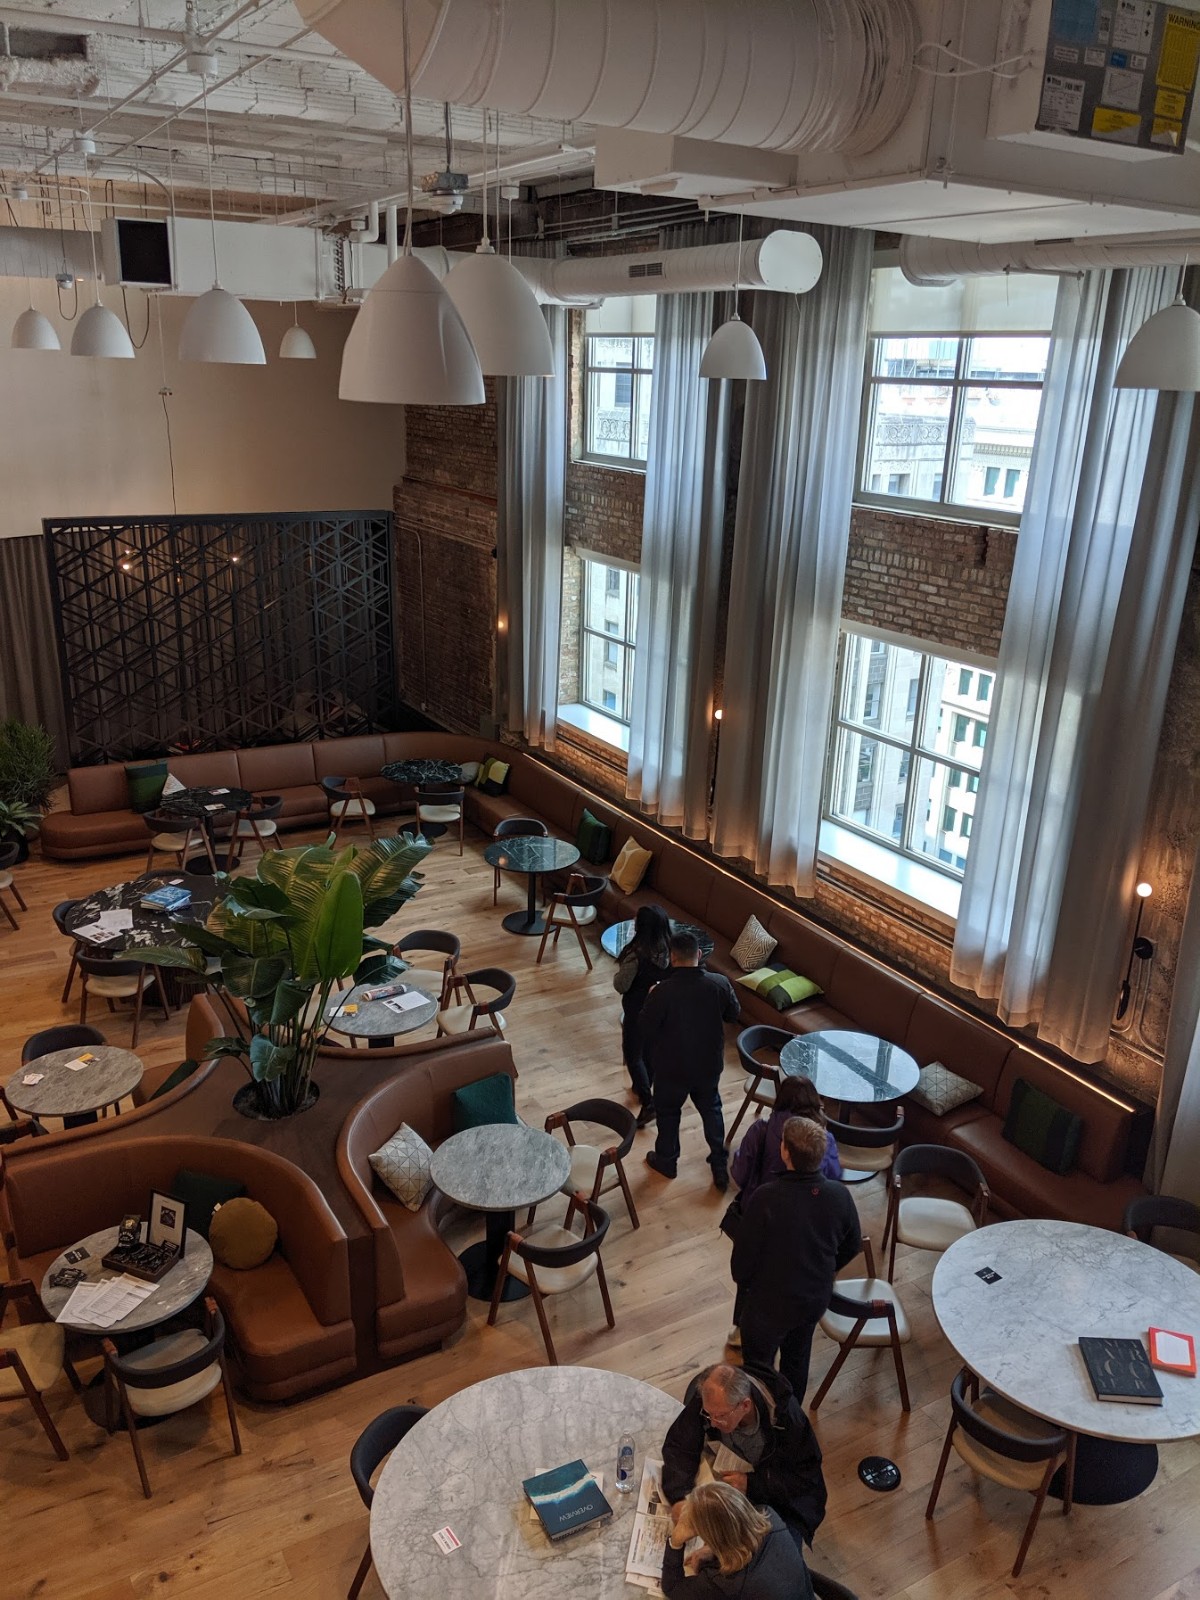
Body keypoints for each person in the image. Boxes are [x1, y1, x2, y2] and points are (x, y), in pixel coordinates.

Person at [732, 1116, 862, 1402]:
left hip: (767, 1303)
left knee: (758, 1369)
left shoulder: (766, 1198)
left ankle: (761, 1415)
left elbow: (741, 1263)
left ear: (785, 1152)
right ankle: (790, 1415)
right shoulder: (839, 1195)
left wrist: (750, 1284)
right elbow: (852, 1244)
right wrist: (823, 1269)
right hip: (812, 1299)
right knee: (797, 1359)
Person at [661, 1362, 826, 1555]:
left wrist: (752, 1484)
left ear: (745, 1405)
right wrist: (680, 1497)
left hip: (778, 1501)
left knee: (768, 1558)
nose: (712, 1423)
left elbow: (804, 1480)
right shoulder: (712, 1401)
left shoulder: (787, 1421)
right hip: (730, 1482)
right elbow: (680, 1445)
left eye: (720, 1416)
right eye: (708, 1414)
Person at [640, 931, 740, 1189]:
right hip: (708, 1065)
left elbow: (645, 1029)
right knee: (712, 1109)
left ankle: (667, 1161)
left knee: (668, 1113)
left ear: (672, 958)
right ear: (699, 954)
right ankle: (719, 1164)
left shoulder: (662, 992)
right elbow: (733, 1014)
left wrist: (651, 996)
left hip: (671, 1067)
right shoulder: (719, 983)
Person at [661, 1481, 815, 1599]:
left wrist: (675, 1542)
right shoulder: (770, 1517)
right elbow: (736, 1529)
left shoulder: (724, 1582)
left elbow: (672, 1588)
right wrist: (713, 1550)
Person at [730, 1077, 842, 1206]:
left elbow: (740, 1174)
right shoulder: (825, 1139)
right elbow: (833, 1178)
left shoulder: (761, 1130)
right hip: (809, 1210)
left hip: (762, 1204)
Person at [613, 904, 672, 1125]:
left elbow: (621, 984)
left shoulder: (637, 955)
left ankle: (648, 1102)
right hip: (661, 1012)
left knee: (632, 1054)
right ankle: (642, 1085)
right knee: (649, 1051)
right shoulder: (671, 951)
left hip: (637, 1011)